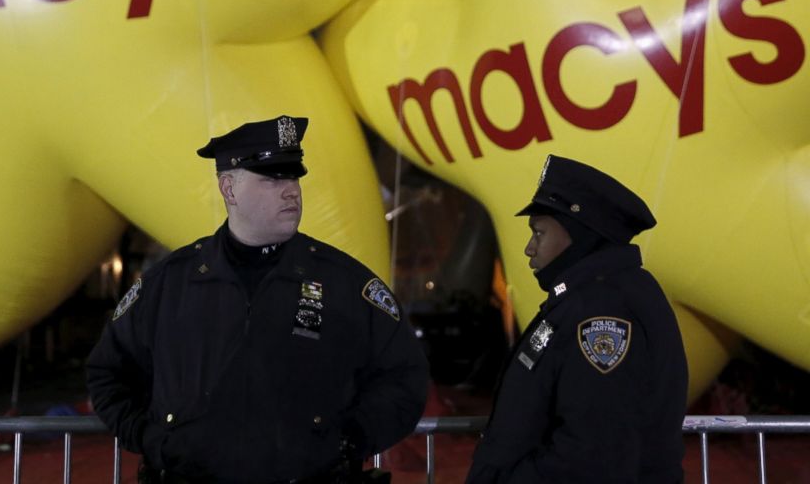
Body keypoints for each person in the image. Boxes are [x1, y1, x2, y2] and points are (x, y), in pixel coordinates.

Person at [86, 115, 429, 483]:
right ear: (229, 189)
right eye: (272, 178)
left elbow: (403, 377)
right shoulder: (168, 285)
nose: (291, 191)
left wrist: (347, 441)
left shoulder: (345, 283)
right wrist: (153, 440)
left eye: (294, 177)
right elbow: (108, 373)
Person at [466, 154, 688, 484]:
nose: (529, 248)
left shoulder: (603, 311)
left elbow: (590, 453)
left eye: (539, 233)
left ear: (577, 235)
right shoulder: (590, 298)